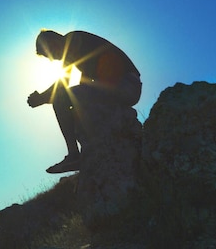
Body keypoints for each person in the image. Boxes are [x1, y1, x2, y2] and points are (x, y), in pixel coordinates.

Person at [27, 30, 142, 173]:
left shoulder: (73, 38)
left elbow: (63, 83)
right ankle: (86, 150)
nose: (53, 60)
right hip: (123, 87)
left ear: (52, 42)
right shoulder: (83, 54)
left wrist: (42, 97)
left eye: (49, 54)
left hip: (126, 84)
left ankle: (74, 155)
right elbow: (69, 91)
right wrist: (45, 98)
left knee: (63, 98)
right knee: (70, 101)